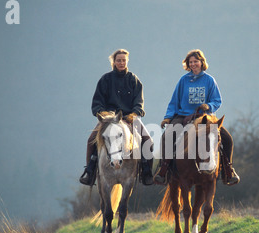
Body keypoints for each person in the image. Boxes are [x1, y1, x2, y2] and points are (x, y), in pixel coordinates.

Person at [153, 49, 240, 186]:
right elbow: (174, 101)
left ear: (202, 62)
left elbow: (217, 100)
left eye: (196, 61)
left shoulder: (209, 80)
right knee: (167, 136)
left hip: (205, 118)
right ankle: (163, 170)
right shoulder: (183, 80)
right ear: (188, 64)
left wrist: (209, 106)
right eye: (191, 62)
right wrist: (168, 117)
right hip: (183, 116)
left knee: (227, 139)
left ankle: (228, 171)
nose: (193, 64)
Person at [79, 49, 154, 186]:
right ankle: (90, 171)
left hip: (129, 118)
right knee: (91, 140)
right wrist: (104, 115)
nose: (121, 62)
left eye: (124, 60)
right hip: (109, 120)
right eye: (118, 60)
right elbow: (97, 102)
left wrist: (134, 114)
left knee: (148, 140)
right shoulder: (105, 79)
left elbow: (139, 102)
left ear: (127, 61)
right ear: (113, 62)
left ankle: (146, 171)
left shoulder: (134, 80)